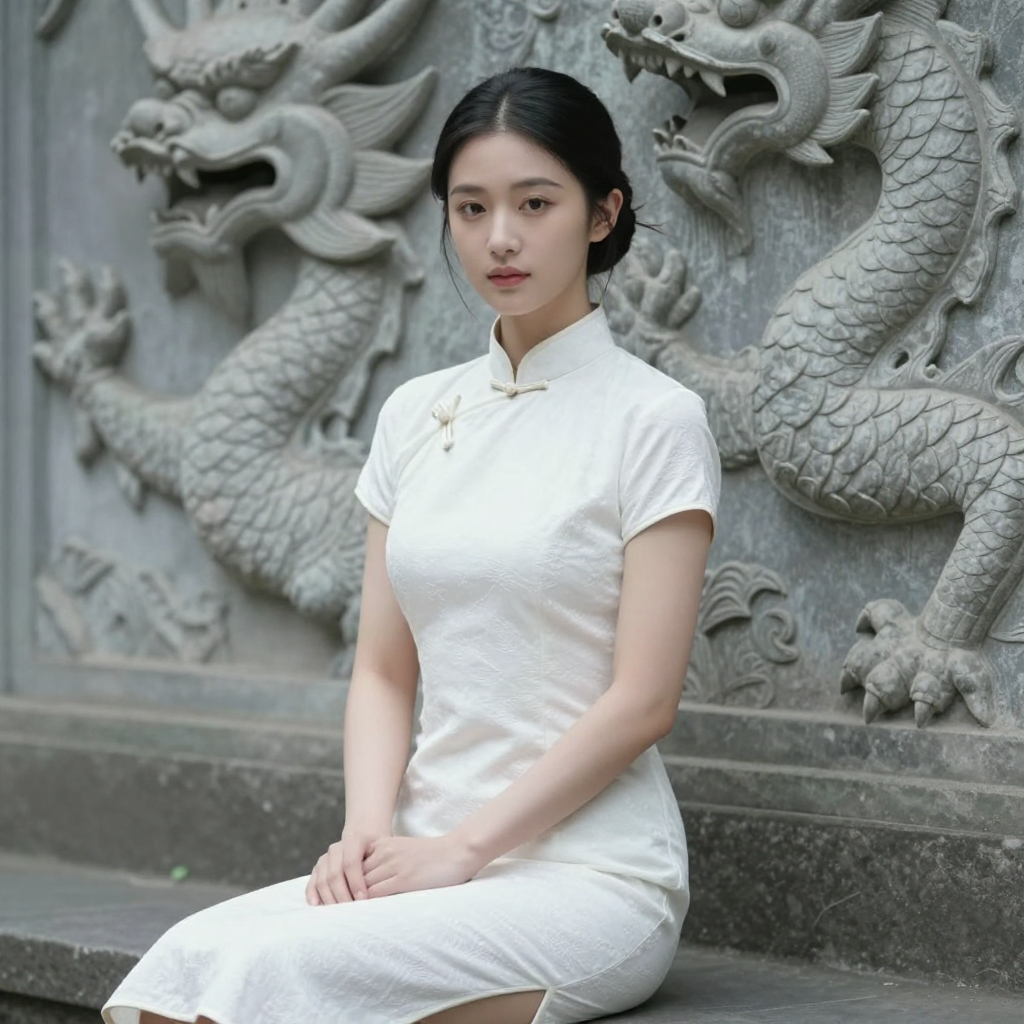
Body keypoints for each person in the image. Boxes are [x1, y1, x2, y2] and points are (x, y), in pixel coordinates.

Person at [102, 66, 720, 1024]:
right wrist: (365, 835)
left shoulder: (655, 419)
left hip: (591, 876)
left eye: (534, 202)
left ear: (603, 215)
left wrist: (462, 851)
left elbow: (643, 701)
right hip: (418, 852)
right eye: (470, 208)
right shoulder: (413, 414)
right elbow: (384, 670)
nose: (499, 237)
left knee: (272, 982)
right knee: (183, 969)